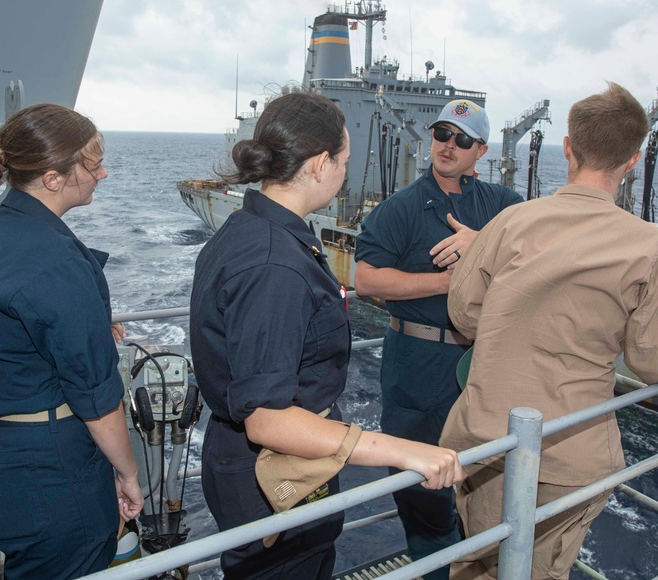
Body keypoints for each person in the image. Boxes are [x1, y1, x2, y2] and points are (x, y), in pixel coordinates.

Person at [440, 82, 658, 579]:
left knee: (477, 565)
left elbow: (465, 314)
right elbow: (654, 360)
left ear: (568, 147)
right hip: (569, 454)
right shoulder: (648, 246)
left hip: (485, 439)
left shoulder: (510, 221)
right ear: (632, 161)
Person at [190, 91, 464, 580]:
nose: (344, 173)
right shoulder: (274, 264)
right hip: (271, 475)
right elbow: (268, 420)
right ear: (320, 164)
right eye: (343, 161)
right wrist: (407, 451)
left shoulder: (248, 229)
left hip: (269, 468)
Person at [0, 104, 143, 579]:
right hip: (50, 467)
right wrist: (128, 473)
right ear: (54, 178)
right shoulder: (53, 260)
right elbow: (96, 397)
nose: (103, 173)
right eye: (93, 163)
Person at [352, 99, 523, 578]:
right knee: (422, 487)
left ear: (481, 150)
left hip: (483, 366)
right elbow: (366, 280)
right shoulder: (401, 208)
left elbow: (543, 247)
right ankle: (434, 567)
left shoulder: (503, 207)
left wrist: (481, 245)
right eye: (442, 134)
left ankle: (473, 563)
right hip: (418, 366)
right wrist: (454, 281)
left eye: (462, 139)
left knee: (484, 479)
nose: (449, 146)